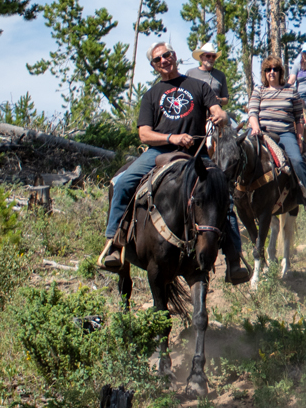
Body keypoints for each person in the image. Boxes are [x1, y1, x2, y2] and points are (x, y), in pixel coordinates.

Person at [99, 41, 249, 283]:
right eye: (157, 60)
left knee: (223, 194)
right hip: (158, 152)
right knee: (123, 182)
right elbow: (144, 134)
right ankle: (114, 245)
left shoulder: (198, 86)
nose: (163, 61)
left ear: (174, 56)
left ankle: (233, 259)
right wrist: (172, 137)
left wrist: (219, 115)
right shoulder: (151, 95)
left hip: (197, 153)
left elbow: (218, 111)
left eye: (166, 55)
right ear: (154, 66)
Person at [248, 56, 306, 215]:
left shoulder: (290, 91)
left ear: (281, 72)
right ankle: (235, 193)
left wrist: (300, 138)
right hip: (262, 132)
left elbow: (299, 118)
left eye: (275, 69)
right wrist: (255, 127)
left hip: (284, 134)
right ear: (264, 73)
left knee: (296, 160)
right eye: (268, 69)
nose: (272, 72)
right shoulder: (259, 90)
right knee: (241, 152)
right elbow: (252, 112)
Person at [184, 41, 229, 105]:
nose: (211, 58)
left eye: (213, 56)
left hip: (214, 113)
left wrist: (219, 100)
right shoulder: (190, 73)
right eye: (208, 56)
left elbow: (226, 99)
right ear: (201, 57)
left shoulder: (220, 75)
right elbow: (184, 94)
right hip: (195, 112)